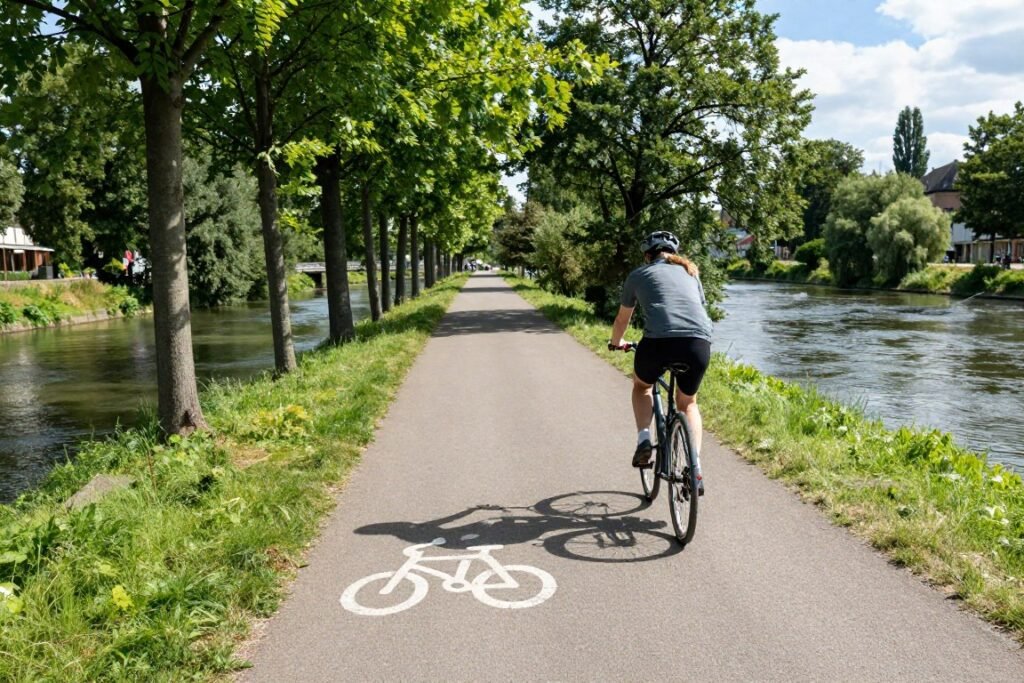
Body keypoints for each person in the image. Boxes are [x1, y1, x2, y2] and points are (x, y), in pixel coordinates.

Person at [609, 230, 713, 492]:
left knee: (642, 386)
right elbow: (700, 308)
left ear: (647, 255)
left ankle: (644, 439)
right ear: (673, 254)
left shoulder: (638, 275)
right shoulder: (691, 272)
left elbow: (623, 319)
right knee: (688, 402)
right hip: (697, 344)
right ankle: (695, 466)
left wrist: (616, 342)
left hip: (657, 344)